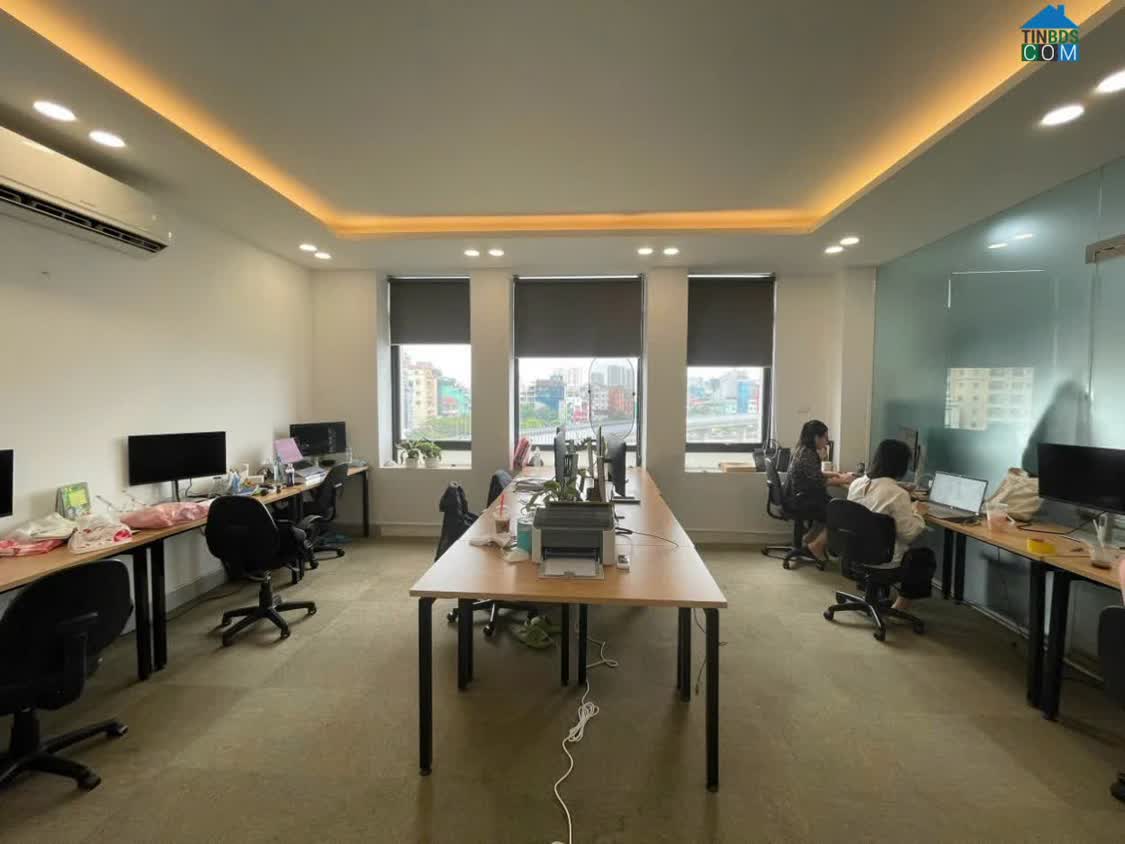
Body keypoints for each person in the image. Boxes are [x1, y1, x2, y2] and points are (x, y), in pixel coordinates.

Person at [848, 438, 927, 610]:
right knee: (924, 557)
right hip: (883, 561)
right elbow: (909, 534)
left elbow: (878, 492)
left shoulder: (856, 484)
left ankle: (872, 593)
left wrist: (898, 487)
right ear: (900, 465)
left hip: (853, 554)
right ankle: (900, 607)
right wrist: (918, 513)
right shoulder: (897, 494)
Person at [783, 419, 855, 561]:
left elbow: (813, 474)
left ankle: (809, 540)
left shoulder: (801, 449)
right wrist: (845, 480)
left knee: (831, 505)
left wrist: (834, 474)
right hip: (802, 500)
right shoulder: (808, 454)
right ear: (816, 437)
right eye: (825, 437)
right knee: (839, 511)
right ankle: (815, 546)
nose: (827, 442)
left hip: (797, 497)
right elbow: (819, 481)